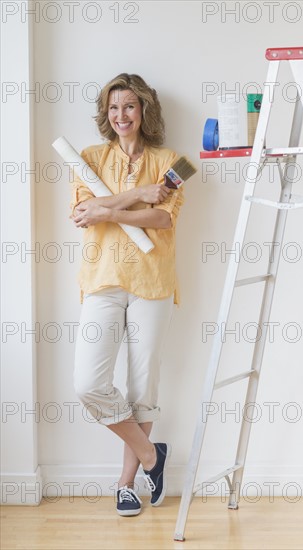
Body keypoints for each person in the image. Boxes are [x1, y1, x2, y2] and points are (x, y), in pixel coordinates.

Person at [70, 73, 184, 517]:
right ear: (106, 113)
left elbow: (164, 221)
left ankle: (126, 483)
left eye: (130, 107)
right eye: (114, 108)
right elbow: (81, 213)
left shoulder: (172, 160)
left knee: (142, 387)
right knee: (88, 384)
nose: (121, 116)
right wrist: (138, 195)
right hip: (101, 280)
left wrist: (107, 207)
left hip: (154, 284)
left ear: (144, 111)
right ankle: (154, 456)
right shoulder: (88, 158)